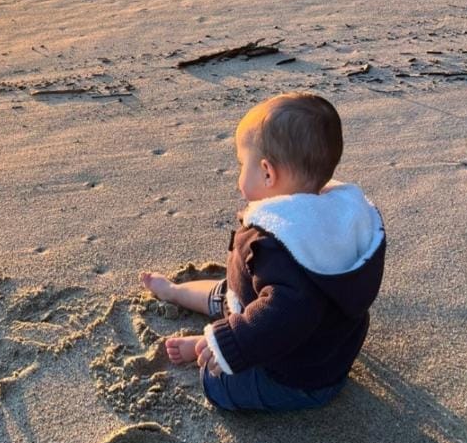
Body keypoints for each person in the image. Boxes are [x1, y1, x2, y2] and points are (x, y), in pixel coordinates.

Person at [140, 92, 385, 413]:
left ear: (268, 173)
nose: (240, 173)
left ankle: (207, 341)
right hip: (329, 342)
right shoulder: (336, 219)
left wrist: (230, 345)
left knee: (217, 383)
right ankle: (174, 292)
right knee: (226, 293)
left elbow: (285, 314)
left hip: (302, 378)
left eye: (243, 164)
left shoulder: (279, 244)